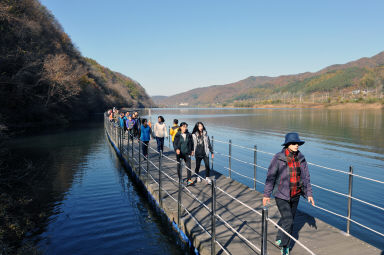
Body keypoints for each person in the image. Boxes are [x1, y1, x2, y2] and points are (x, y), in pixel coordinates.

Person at [263, 132, 315, 255]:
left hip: (295, 194)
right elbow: (270, 177)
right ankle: (285, 246)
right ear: (287, 145)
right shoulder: (278, 158)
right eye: (293, 143)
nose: (296, 145)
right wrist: (266, 195)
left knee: (287, 219)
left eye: (298, 143)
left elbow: (306, 177)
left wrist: (309, 194)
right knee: (289, 221)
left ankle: (279, 237)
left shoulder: (301, 158)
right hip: (281, 195)